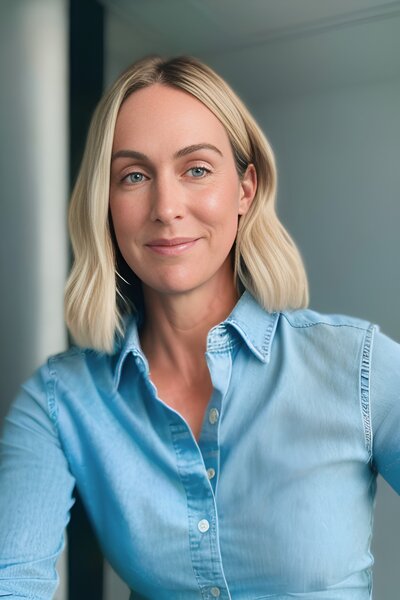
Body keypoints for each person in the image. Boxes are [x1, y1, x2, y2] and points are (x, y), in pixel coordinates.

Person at [0, 55, 399, 600]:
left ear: (245, 189)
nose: (166, 207)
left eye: (197, 169)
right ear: (105, 203)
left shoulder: (361, 367)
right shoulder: (58, 402)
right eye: (134, 176)